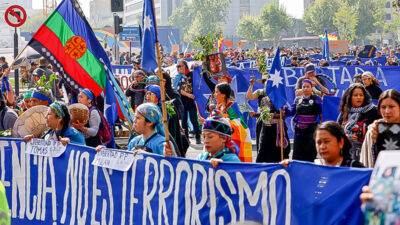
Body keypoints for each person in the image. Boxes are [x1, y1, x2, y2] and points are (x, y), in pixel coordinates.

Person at [281, 121, 364, 168]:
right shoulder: (314, 168)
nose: (322, 147)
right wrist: (288, 168)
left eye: (327, 141)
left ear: (341, 142)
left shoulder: (354, 168)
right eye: (318, 142)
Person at [337, 83, 380, 161]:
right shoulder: (345, 111)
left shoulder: (374, 111)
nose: (358, 97)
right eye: (355, 95)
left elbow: (380, 131)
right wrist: (347, 136)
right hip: (348, 155)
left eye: (361, 95)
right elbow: (336, 132)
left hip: (368, 154)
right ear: (350, 97)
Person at [213, 83, 253, 162]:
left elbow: (237, 125)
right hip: (225, 138)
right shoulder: (219, 106)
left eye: (216, 92)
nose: (214, 95)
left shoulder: (233, 106)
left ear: (223, 95)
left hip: (238, 138)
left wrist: (223, 117)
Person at [285, 79, 322, 162]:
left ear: (312, 88)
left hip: (311, 131)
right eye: (303, 87)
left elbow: (322, 113)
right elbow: (291, 113)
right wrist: (284, 109)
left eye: (308, 87)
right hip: (299, 131)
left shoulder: (317, 99)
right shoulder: (297, 99)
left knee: (310, 154)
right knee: (297, 153)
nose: (305, 88)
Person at [361, 89, 400, 167]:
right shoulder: (373, 129)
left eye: (391, 107)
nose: (387, 111)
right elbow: (366, 162)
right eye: (383, 107)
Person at [174, 59, 202, 144]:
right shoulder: (177, 77)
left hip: (191, 101)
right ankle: (186, 139)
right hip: (182, 102)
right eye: (177, 66)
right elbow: (179, 90)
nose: (178, 68)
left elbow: (199, 74)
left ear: (185, 66)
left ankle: (198, 137)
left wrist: (196, 67)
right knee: (184, 121)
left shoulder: (190, 74)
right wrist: (189, 95)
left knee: (194, 120)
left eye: (180, 66)